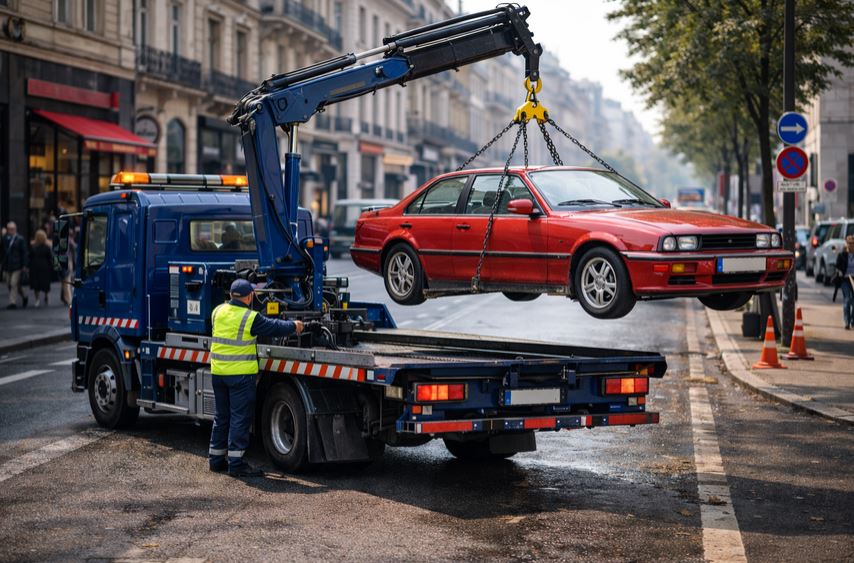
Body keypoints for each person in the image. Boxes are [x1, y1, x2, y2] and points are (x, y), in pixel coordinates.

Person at [209, 279, 304, 477]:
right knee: (239, 419)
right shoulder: (249, 317)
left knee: (221, 417)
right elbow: (274, 327)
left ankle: (216, 460)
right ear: (250, 296)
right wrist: (294, 325)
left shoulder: (217, 312)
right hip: (240, 376)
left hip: (218, 374)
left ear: (230, 295)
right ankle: (236, 464)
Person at [1, 221, 29, 309]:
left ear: (15, 229)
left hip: (17, 265)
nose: (11, 231)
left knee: (13, 283)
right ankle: (24, 296)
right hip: (7, 265)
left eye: (12, 229)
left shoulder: (20, 239)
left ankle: (12, 302)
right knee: (10, 283)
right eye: (9, 229)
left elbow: (24, 253)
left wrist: (24, 265)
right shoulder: (5, 238)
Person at [833, 234, 854, 330]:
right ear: (846, 244)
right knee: (847, 299)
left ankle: (853, 320)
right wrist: (840, 272)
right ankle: (847, 321)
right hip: (845, 280)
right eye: (849, 243)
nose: (851, 245)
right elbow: (837, 267)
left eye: (853, 244)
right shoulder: (842, 255)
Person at [28, 229, 53, 307]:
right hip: (45, 267)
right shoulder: (47, 247)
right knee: (45, 283)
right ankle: (46, 296)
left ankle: (37, 299)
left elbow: (30, 257)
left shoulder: (33, 246)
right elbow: (50, 258)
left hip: (35, 266)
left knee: (36, 284)